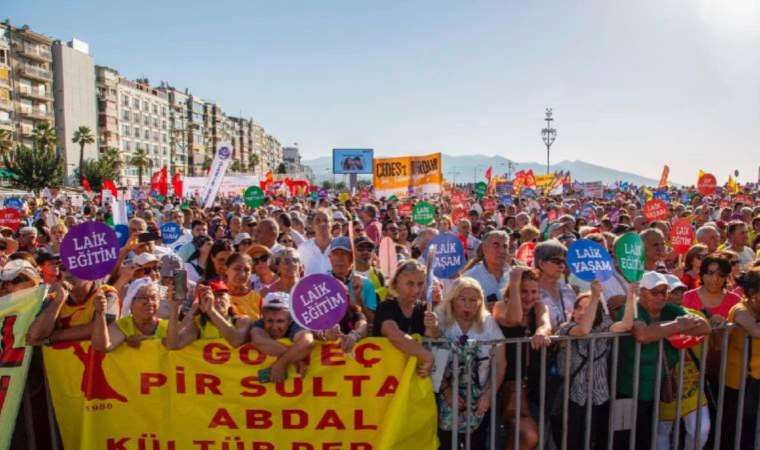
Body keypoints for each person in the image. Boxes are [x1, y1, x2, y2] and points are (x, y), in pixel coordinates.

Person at [615, 271, 710, 450]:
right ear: (641, 292)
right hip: (626, 389)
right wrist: (676, 326)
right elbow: (642, 334)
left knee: (648, 439)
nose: (660, 297)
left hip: (656, 391)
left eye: (664, 292)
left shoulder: (669, 309)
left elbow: (705, 327)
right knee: (623, 439)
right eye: (654, 292)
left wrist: (663, 330)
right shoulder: (631, 308)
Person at [556, 281, 635, 450]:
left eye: (589, 308)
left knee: (599, 441)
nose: (582, 312)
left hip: (600, 396)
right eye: (579, 308)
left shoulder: (603, 327)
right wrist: (594, 297)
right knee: (573, 442)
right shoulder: (566, 328)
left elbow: (626, 325)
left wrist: (630, 298)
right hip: (574, 397)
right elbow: (583, 330)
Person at [435, 277, 506, 450]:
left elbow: (500, 363)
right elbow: (434, 362)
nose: (468, 305)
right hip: (445, 395)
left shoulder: (488, 323)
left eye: (473, 300)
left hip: (479, 396)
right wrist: (446, 392)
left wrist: (488, 396)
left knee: (476, 443)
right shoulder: (441, 320)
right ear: (452, 300)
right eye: (462, 299)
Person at [492, 268, 551, 450]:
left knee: (531, 438)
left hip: (532, 386)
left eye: (534, 292)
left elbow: (545, 323)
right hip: (504, 387)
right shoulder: (500, 306)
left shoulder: (540, 307)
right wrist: (515, 284)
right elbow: (514, 318)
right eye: (524, 291)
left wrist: (541, 332)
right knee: (527, 435)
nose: (529, 297)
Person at [372, 259, 440, 377]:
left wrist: (433, 327)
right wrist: (425, 355)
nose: (416, 290)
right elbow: (394, 334)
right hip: (384, 377)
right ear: (397, 283)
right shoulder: (386, 307)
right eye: (410, 284)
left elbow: (432, 338)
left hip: (413, 378)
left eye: (420, 284)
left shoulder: (424, 309)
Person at [723, 268, 760, 450]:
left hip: (756, 382)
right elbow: (755, 331)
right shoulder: (740, 310)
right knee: (740, 433)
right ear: (753, 293)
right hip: (740, 384)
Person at [249, 292, 315, 382]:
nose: (274, 327)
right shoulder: (259, 323)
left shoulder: (295, 324)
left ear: (290, 320)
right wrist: (295, 358)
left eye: (280, 321)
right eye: (270, 321)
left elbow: (307, 342)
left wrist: (281, 364)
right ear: (263, 318)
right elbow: (259, 341)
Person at [166, 279, 251, 348]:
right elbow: (173, 345)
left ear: (230, 300)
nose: (216, 300)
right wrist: (175, 307)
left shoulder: (243, 321)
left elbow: (236, 341)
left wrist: (211, 311)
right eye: (209, 297)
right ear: (201, 306)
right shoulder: (198, 325)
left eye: (220, 295)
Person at [91, 282, 167, 352]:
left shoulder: (167, 326)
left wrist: (147, 340)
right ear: (131, 303)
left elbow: (175, 344)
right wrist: (100, 313)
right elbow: (102, 346)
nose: (150, 302)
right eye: (143, 298)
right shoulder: (123, 325)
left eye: (154, 298)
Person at [462, 230, 511, 307]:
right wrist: (483, 311)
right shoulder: (469, 278)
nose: (501, 251)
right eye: (496, 245)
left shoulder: (514, 276)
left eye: (505, 246)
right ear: (484, 248)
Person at [534, 239, 575, 330]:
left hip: (569, 343)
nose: (562, 266)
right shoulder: (531, 291)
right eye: (556, 261)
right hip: (541, 342)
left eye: (564, 262)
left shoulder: (568, 289)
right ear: (541, 263)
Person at [224, 252, 261, 320]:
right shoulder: (217, 296)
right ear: (226, 269)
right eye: (237, 269)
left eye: (247, 270)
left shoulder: (257, 298)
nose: (242, 274)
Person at [297, 209, 332, 276]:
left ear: (331, 224)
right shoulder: (303, 248)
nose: (322, 224)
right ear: (312, 225)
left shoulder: (338, 246)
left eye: (326, 220)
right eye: (318, 221)